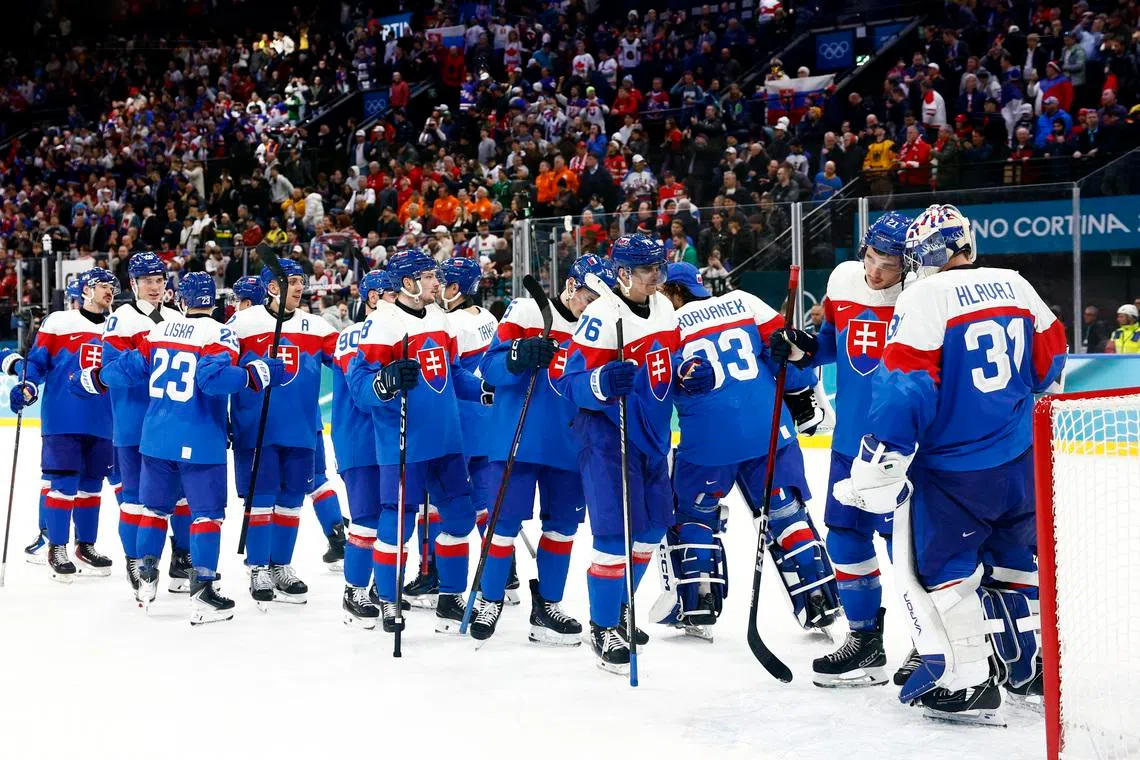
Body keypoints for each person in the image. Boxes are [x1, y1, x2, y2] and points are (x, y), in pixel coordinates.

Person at [840, 204, 1066, 722]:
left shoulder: (924, 295)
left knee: (946, 571)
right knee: (1014, 563)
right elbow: (1052, 358)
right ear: (966, 243)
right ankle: (1027, 670)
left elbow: (906, 386)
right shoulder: (1014, 282)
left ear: (922, 256)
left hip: (953, 470)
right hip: (1019, 457)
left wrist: (883, 457)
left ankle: (964, 681)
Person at [655, 262, 836, 641]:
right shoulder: (744, 302)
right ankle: (818, 598)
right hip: (770, 431)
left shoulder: (666, 324)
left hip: (708, 440)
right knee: (786, 514)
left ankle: (697, 606)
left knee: (693, 516)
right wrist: (800, 395)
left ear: (674, 292)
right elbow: (794, 358)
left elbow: (656, 383)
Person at [92, 272, 287, 621]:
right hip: (199, 438)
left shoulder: (159, 331)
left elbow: (126, 370)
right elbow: (211, 381)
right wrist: (255, 374)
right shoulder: (219, 332)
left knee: (154, 510)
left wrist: (100, 376)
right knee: (207, 514)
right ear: (213, 303)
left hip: (154, 438)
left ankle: (147, 575)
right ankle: (202, 591)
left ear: (181, 301)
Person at [772, 211, 914, 686]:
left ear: (909, 265)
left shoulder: (924, 298)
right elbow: (834, 344)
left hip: (904, 450)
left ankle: (929, 643)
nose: (876, 272)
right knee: (845, 538)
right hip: (849, 443)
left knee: (910, 551)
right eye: (872, 258)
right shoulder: (844, 282)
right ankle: (865, 642)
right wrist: (802, 349)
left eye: (889, 264)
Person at [556, 234, 701, 674]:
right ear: (621, 275)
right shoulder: (601, 316)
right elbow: (569, 382)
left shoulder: (663, 308)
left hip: (653, 435)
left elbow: (668, 366)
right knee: (613, 536)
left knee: (651, 529)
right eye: (647, 270)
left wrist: (689, 373)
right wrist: (599, 384)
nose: (658, 277)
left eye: (659, 267)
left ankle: (619, 607)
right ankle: (603, 629)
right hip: (606, 435)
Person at [470, 254, 617, 645]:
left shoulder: (601, 328)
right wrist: (517, 356)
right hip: (517, 441)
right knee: (503, 526)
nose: (593, 307)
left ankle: (547, 606)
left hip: (571, 445)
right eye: (589, 297)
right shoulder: (525, 310)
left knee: (562, 530)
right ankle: (489, 599)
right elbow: (490, 367)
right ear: (571, 286)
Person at [346, 249, 484, 632]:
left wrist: (485, 390)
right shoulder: (382, 324)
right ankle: (389, 599)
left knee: (459, 518)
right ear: (407, 283)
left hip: (447, 441)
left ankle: (450, 598)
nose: (436, 282)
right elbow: (360, 388)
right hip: (403, 445)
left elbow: (453, 374)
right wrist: (386, 382)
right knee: (397, 525)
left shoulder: (441, 318)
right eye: (427, 276)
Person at [228, 259, 338, 606]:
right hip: (256, 429)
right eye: (292, 281)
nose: (300, 287)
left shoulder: (317, 326)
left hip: (301, 429)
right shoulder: (243, 323)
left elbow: (348, 359)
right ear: (272, 287)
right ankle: (258, 566)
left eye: (302, 281)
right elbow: (219, 369)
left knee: (291, 501)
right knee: (261, 501)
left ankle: (281, 565)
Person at [6, 267, 119, 581]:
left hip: (103, 420)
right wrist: (27, 387)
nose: (108, 290)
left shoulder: (118, 327)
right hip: (63, 418)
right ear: (84, 289)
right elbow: (39, 363)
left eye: (112, 285)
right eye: (101, 285)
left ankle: (86, 546)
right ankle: (56, 547)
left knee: (91, 487)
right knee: (63, 483)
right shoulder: (58, 322)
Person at [95, 252, 186, 591]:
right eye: (147, 280)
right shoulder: (122, 318)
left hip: (172, 423)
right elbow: (113, 372)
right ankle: (135, 560)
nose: (154, 286)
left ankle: (181, 558)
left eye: (159, 279)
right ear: (133, 283)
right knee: (134, 498)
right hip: (134, 423)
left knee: (179, 498)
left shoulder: (177, 316)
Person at [333, 269, 388, 628]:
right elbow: (364, 395)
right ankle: (354, 591)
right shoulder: (354, 336)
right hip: (361, 441)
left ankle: (380, 588)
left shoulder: (395, 331)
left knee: (391, 520)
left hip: (388, 441)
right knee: (367, 519)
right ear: (372, 298)